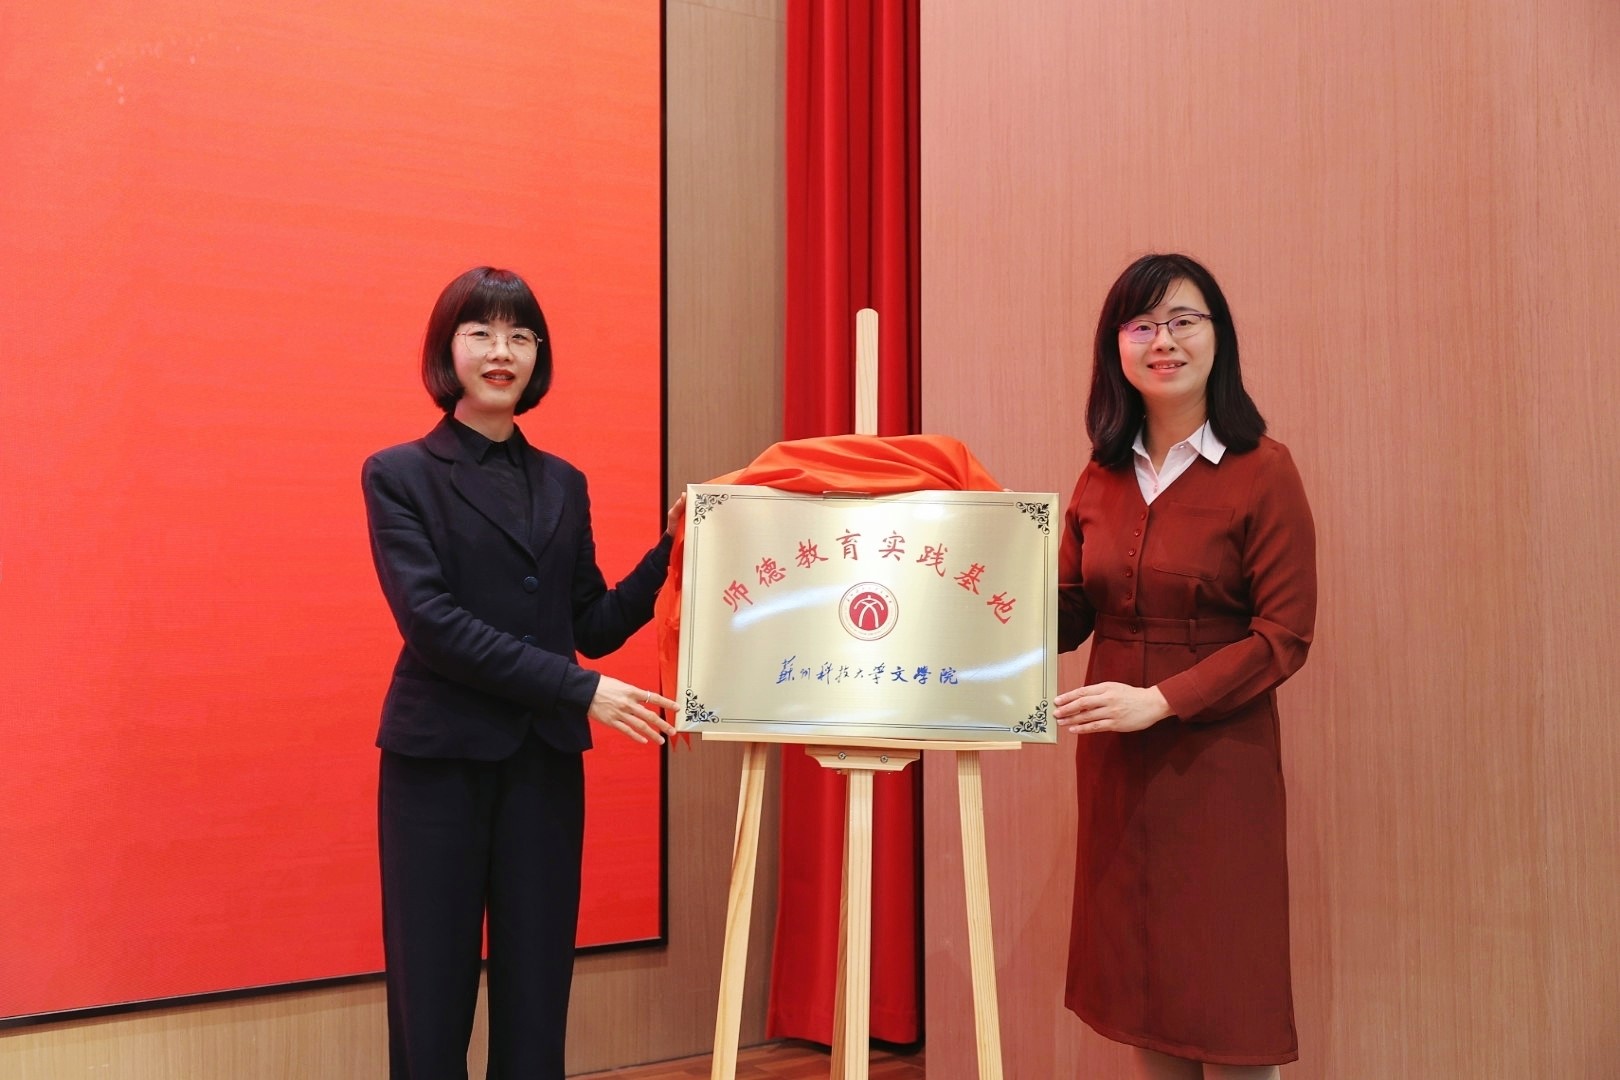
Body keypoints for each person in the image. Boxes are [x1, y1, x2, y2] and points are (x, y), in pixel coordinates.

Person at [361, 266, 679, 1079]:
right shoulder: (398, 473)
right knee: (432, 999)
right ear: (448, 351)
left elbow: (590, 625)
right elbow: (434, 626)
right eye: (482, 333)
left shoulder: (563, 482)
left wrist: (675, 551)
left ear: (539, 355)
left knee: (538, 992)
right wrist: (581, 691)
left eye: (520, 335)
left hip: (542, 764)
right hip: (438, 762)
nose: (501, 351)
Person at [1052, 253, 1317, 1079]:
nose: (1162, 341)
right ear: (1116, 348)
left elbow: (1284, 635)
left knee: (1228, 997)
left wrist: (1160, 700)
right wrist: (965, 590)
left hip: (1218, 766)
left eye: (1182, 321)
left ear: (1217, 337)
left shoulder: (1263, 469)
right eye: (1141, 325)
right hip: (1117, 768)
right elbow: (1069, 612)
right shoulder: (1100, 472)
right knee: (1143, 987)